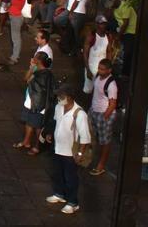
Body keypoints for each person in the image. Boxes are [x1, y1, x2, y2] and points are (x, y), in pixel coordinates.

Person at [45, 84, 91, 215]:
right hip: (58, 148)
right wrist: (49, 133)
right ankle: (59, 194)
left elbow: (85, 137)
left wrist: (80, 153)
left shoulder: (80, 114)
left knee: (71, 178)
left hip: (71, 153)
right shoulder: (58, 107)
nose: (59, 99)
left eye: (61, 96)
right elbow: (55, 122)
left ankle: (73, 202)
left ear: (69, 98)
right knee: (57, 174)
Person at [16, 51, 54, 155]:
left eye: (35, 57)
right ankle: (26, 142)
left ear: (39, 61)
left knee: (38, 127)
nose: (33, 58)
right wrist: (32, 67)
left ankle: (37, 146)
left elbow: (28, 81)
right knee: (29, 122)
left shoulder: (44, 75)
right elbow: (26, 79)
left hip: (38, 106)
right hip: (30, 103)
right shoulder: (38, 71)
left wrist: (39, 106)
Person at [89, 58, 118, 177]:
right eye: (99, 68)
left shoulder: (112, 85)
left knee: (104, 141)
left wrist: (105, 117)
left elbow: (112, 104)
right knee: (91, 136)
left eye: (102, 69)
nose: (99, 71)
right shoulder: (97, 77)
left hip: (104, 114)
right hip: (94, 111)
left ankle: (101, 165)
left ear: (109, 70)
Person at [82, 16, 117, 96]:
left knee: (100, 90)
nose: (104, 26)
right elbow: (85, 53)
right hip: (92, 67)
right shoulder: (91, 36)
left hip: (103, 68)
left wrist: (109, 67)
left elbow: (109, 51)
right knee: (88, 90)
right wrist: (88, 69)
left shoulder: (108, 36)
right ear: (97, 24)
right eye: (102, 24)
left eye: (105, 24)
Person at [113, 0, 137, 77]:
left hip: (131, 31)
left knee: (128, 52)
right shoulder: (115, 8)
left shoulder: (125, 6)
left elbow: (125, 23)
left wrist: (118, 36)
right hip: (122, 31)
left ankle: (126, 74)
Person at [6, 0, 28, 65]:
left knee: (16, 38)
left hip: (16, 17)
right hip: (14, 16)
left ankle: (15, 58)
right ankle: (15, 55)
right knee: (15, 37)